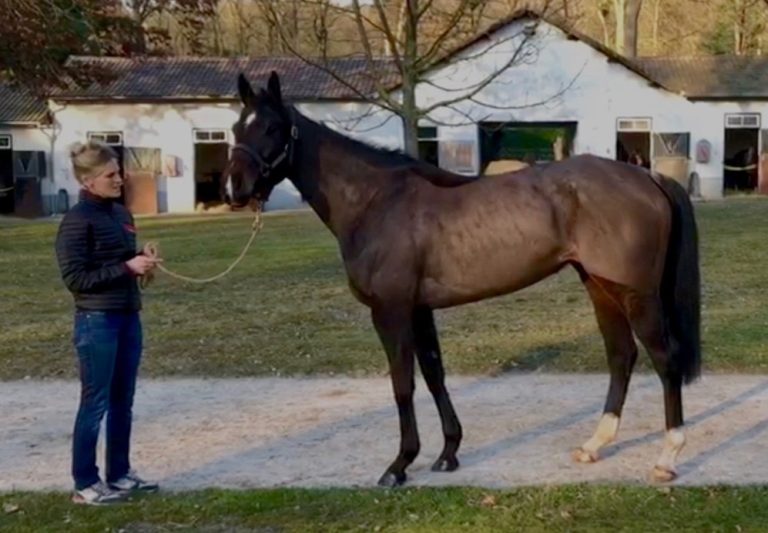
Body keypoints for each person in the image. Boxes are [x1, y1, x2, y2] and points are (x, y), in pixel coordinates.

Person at [55, 141, 161, 505]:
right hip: (96, 322)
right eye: (111, 174)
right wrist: (126, 268)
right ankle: (85, 483)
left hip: (129, 317)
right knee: (95, 403)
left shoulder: (121, 214)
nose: (120, 178)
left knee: (123, 402)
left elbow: (121, 261)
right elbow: (76, 279)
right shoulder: (76, 221)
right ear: (88, 180)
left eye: (119, 171)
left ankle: (119, 475)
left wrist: (141, 261)